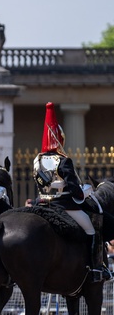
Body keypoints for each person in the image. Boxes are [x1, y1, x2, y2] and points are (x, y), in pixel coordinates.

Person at [33, 102, 111, 282]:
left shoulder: (38, 160)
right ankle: (96, 268)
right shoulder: (64, 160)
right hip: (65, 206)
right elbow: (76, 194)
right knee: (92, 230)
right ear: (60, 138)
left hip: (42, 204)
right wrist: (85, 191)